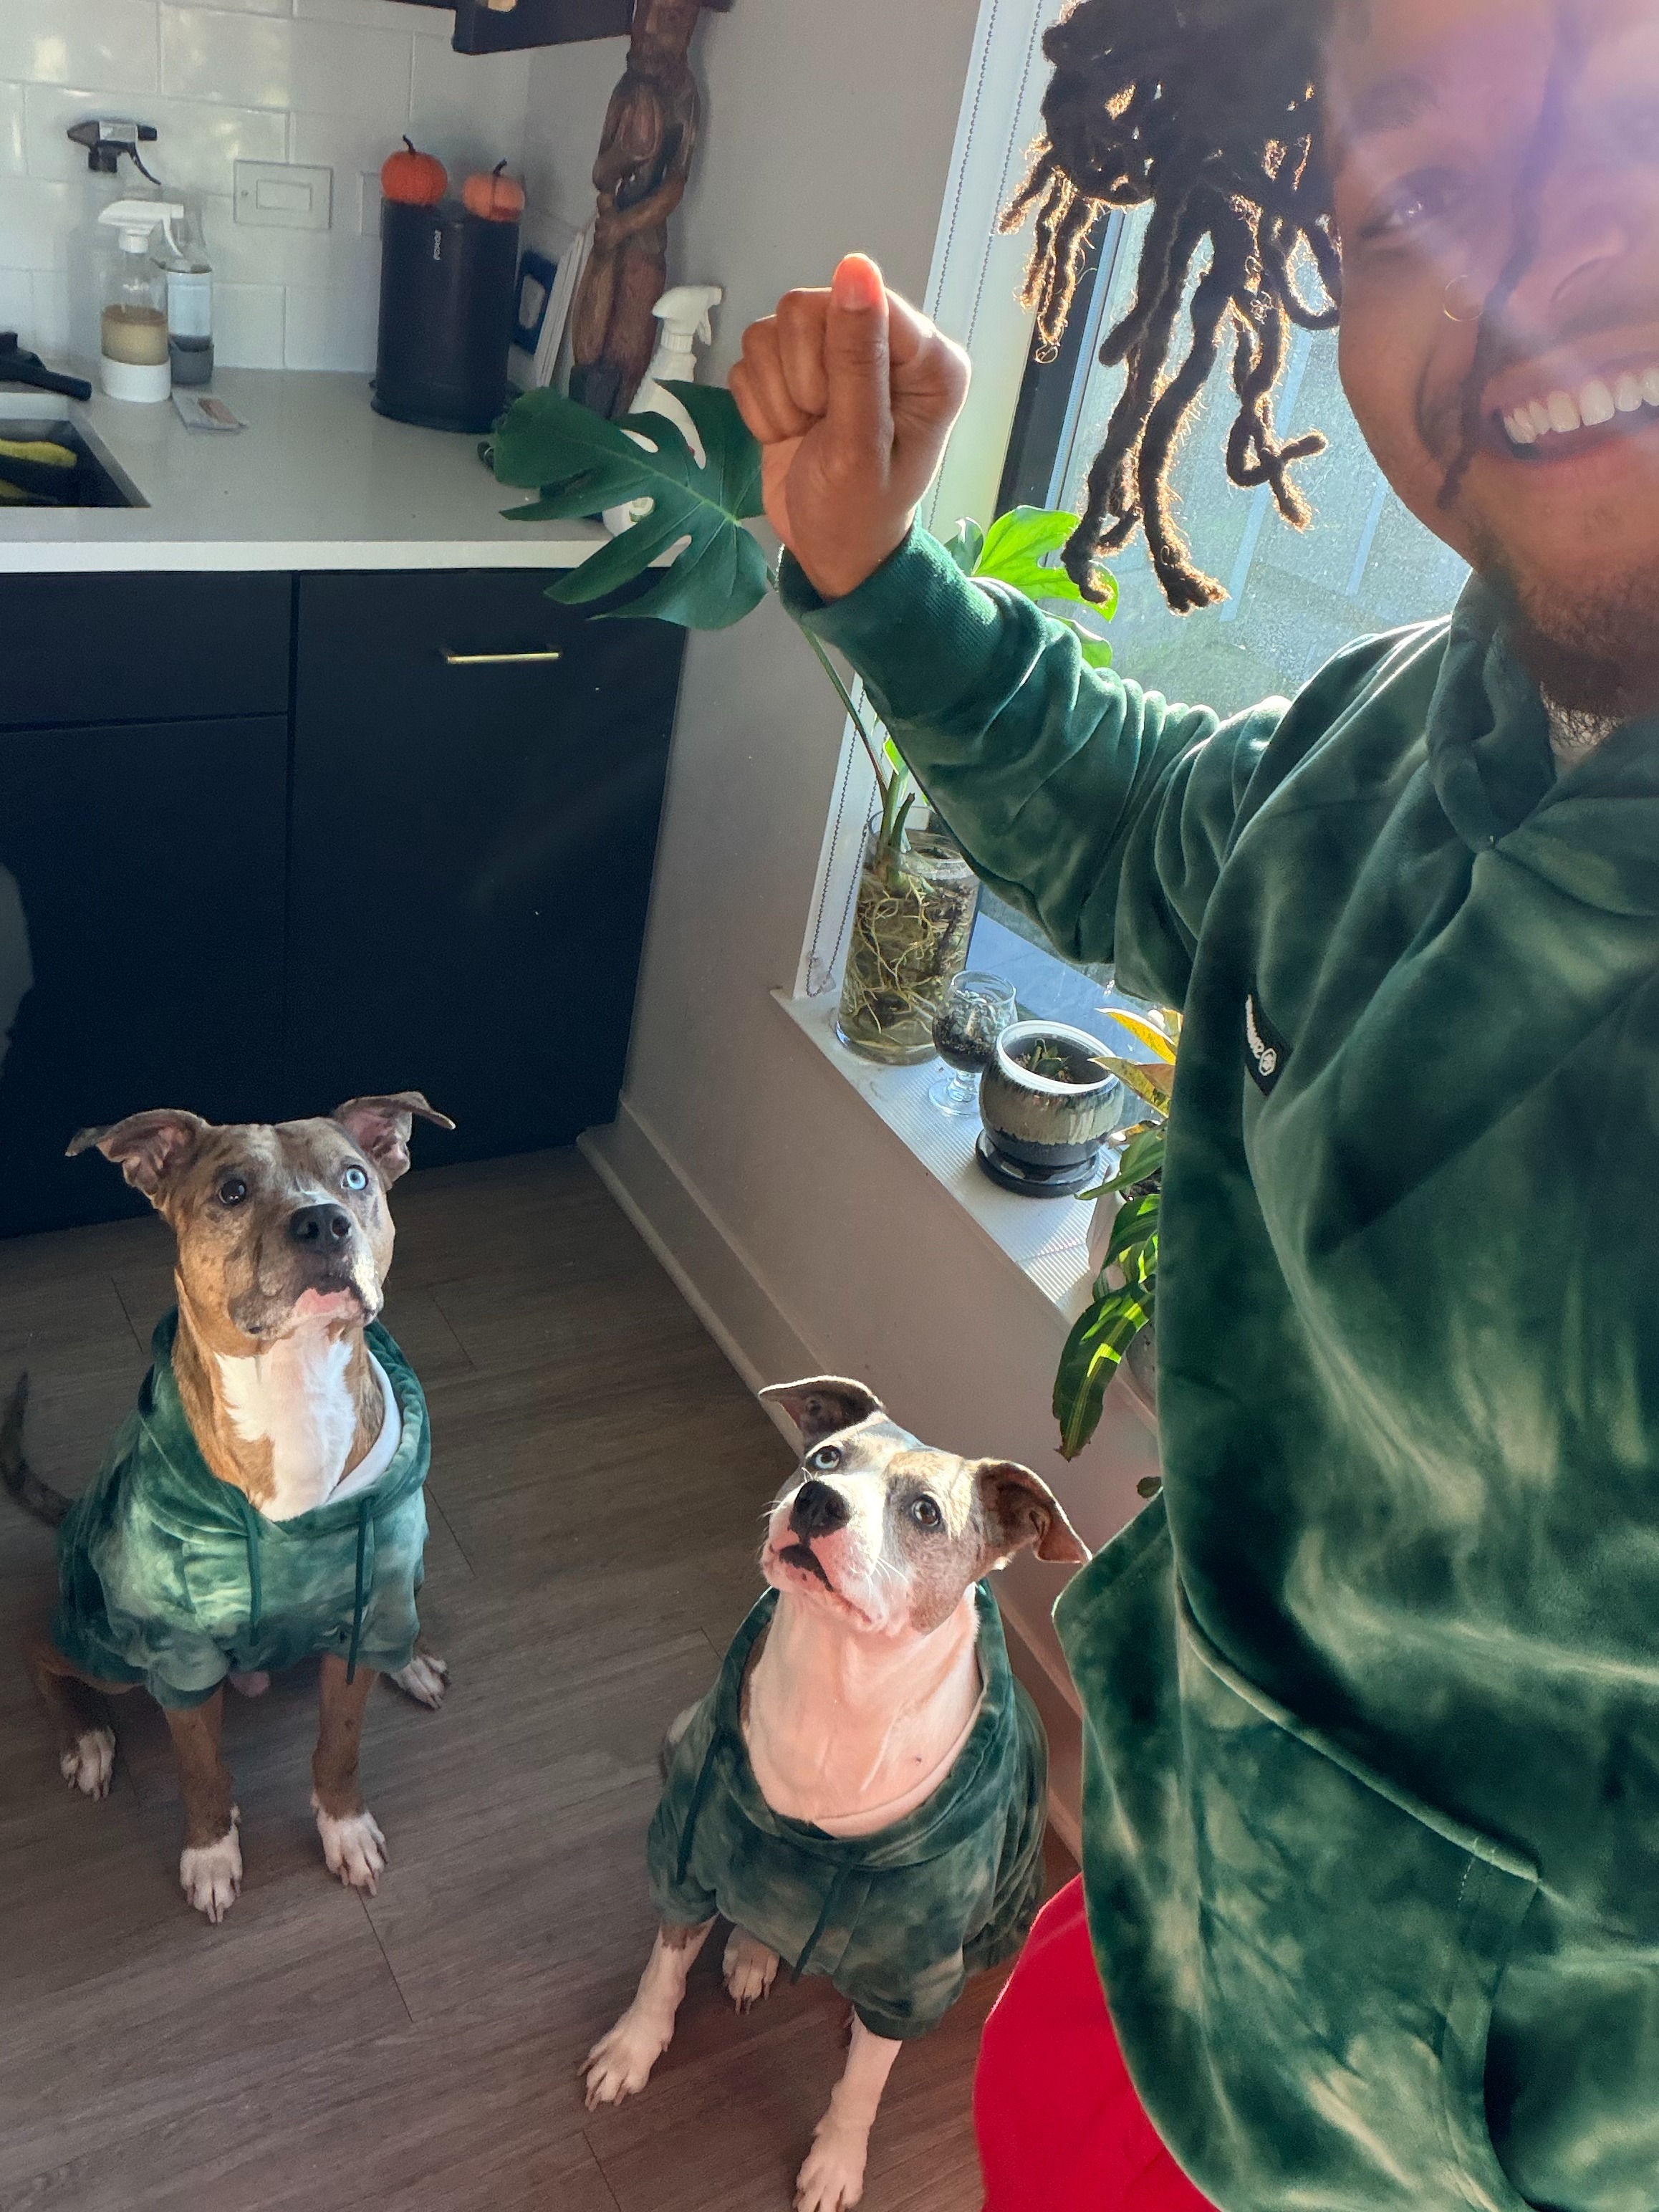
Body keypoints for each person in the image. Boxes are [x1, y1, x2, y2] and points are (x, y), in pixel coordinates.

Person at [728, 0, 1659, 2206]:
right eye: (1418, 195)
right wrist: (874, 575)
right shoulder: (1410, 727)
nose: (1544, 258)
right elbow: (1166, 834)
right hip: (1169, 1955)